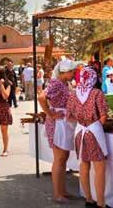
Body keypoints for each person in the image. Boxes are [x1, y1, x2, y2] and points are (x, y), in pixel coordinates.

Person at [67, 67, 109, 208]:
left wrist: (81, 121)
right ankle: (101, 203)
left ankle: (89, 199)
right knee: (99, 168)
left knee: (84, 166)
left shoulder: (73, 94)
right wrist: (95, 124)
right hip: (93, 131)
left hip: (80, 132)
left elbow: (69, 117)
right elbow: (103, 116)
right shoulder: (97, 93)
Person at [38, 60, 77, 202]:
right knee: (59, 158)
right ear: (65, 71)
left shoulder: (63, 83)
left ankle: (62, 191)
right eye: (72, 71)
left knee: (63, 158)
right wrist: (51, 114)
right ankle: (58, 194)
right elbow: (41, 97)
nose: (73, 74)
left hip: (63, 123)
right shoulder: (56, 83)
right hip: (58, 124)